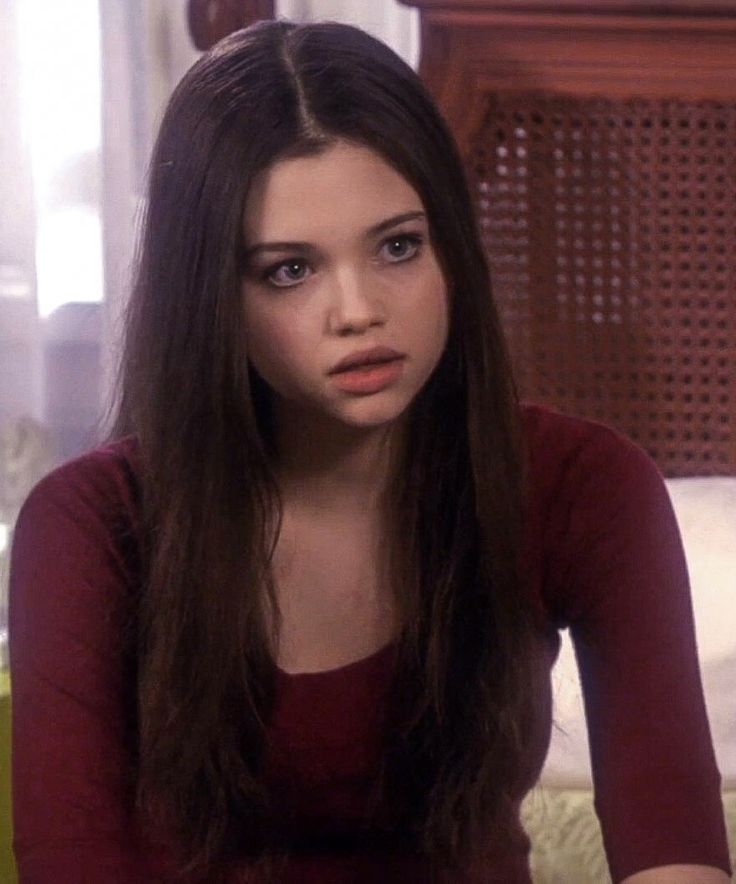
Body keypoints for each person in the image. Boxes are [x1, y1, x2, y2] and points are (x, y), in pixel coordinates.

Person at [7, 18, 732, 884]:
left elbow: (677, 855)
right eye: (289, 270)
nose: (357, 310)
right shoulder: (96, 525)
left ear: (451, 248)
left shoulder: (581, 486)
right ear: (211, 297)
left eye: (397, 246)